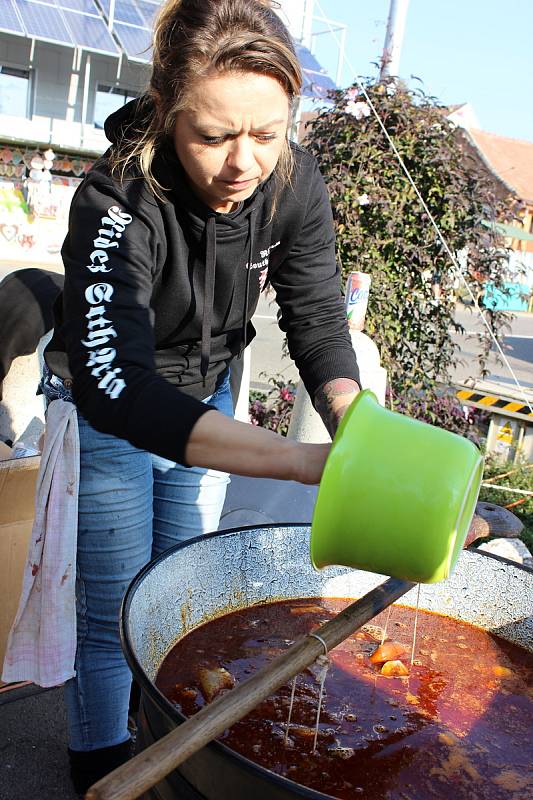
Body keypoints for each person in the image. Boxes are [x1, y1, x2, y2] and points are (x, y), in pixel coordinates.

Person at [41, 0, 360, 792]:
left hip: (210, 396)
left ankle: (177, 756)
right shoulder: (115, 198)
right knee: (114, 610)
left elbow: (316, 315)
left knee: (188, 595)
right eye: (213, 136)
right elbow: (118, 388)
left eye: (266, 132)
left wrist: (358, 428)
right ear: (165, 109)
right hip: (116, 411)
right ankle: (101, 767)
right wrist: (295, 461)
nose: (242, 163)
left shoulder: (294, 179)